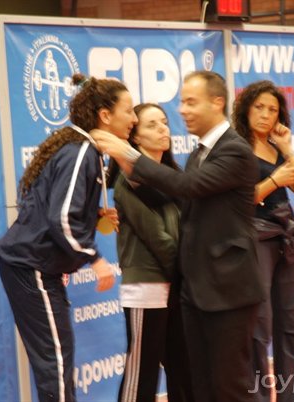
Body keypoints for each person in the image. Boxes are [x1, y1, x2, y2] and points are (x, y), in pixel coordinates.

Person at [93, 70, 264, 402]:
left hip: (229, 293)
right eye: (181, 102)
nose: (182, 111)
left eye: (190, 102)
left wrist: (125, 153)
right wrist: (116, 207)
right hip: (196, 293)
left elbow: (187, 188)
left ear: (217, 103)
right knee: (198, 385)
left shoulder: (235, 151)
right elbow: (178, 200)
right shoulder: (200, 153)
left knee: (229, 388)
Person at [0, 74, 135, 402]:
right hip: (32, 265)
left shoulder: (79, 147)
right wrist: (95, 257)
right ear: (104, 115)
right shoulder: (81, 151)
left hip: (34, 265)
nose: (133, 118)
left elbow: (53, 208)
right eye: (128, 111)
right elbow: (60, 219)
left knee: (57, 359)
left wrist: (94, 217)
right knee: (55, 363)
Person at [232, 80, 294, 402]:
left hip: (288, 239)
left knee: (292, 324)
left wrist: (287, 150)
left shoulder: (276, 147)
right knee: (259, 327)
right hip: (255, 241)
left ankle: (290, 396)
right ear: (246, 108)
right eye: (259, 108)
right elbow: (237, 201)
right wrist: (272, 180)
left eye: (273, 109)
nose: (266, 115)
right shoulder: (236, 147)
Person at [110, 103, 194, 402]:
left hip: (177, 284)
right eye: (151, 125)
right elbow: (156, 237)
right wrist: (187, 271)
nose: (162, 129)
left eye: (164, 122)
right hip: (148, 286)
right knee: (142, 374)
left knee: (185, 370)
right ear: (135, 138)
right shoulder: (127, 180)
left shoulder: (173, 176)